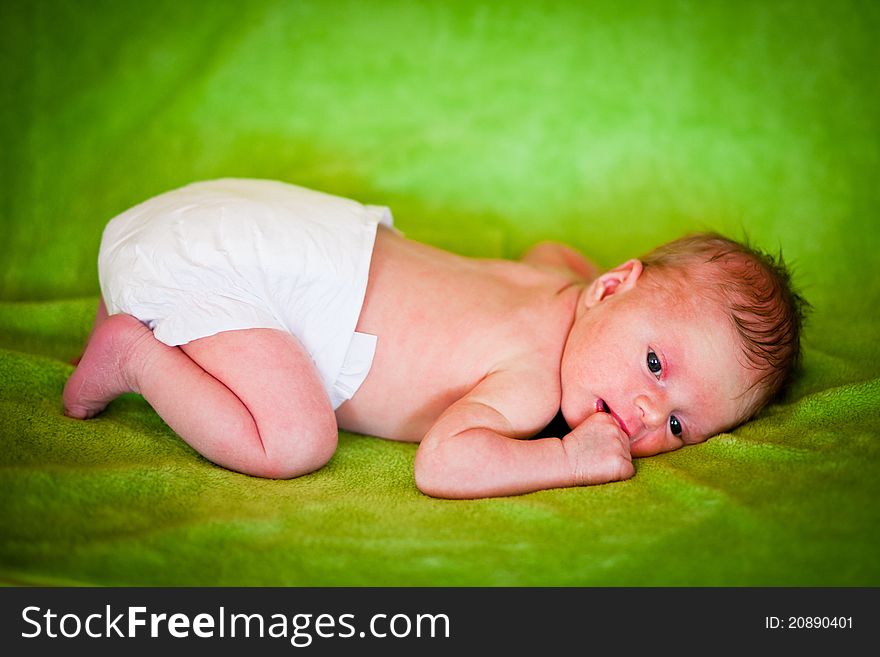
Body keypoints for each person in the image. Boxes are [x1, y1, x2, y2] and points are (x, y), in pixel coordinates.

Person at [63, 179, 808, 499]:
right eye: (655, 363)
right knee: (292, 441)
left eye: (679, 423)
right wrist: (564, 456)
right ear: (611, 286)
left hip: (232, 226)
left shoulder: (552, 280)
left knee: (239, 325)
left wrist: (616, 303)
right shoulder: (532, 380)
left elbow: (557, 250)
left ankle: (148, 299)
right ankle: (135, 352)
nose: (645, 412)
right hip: (247, 272)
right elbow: (443, 462)